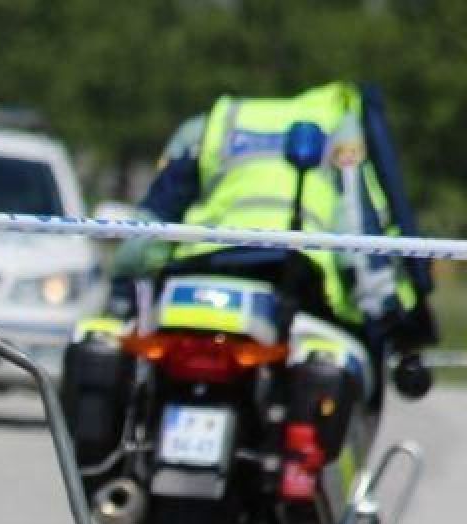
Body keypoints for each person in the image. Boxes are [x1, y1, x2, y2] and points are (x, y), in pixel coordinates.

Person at [117, 81, 437, 401]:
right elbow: (358, 235)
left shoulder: (217, 120)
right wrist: (390, 321)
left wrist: (119, 299)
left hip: (200, 271)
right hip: (301, 282)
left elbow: (150, 227)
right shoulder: (342, 124)